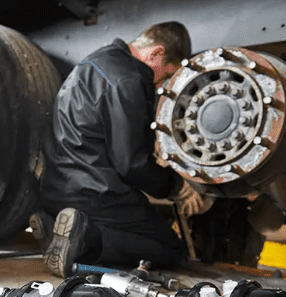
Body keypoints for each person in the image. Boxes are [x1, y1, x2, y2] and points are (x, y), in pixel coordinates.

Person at [31, 21, 202, 277]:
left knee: (141, 223)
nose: (161, 85)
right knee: (171, 250)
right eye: (166, 74)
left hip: (58, 186)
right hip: (93, 192)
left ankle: (55, 223)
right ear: (155, 53)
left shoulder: (95, 62)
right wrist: (176, 187)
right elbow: (131, 163)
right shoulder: (128, 79)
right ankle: (87, 238)